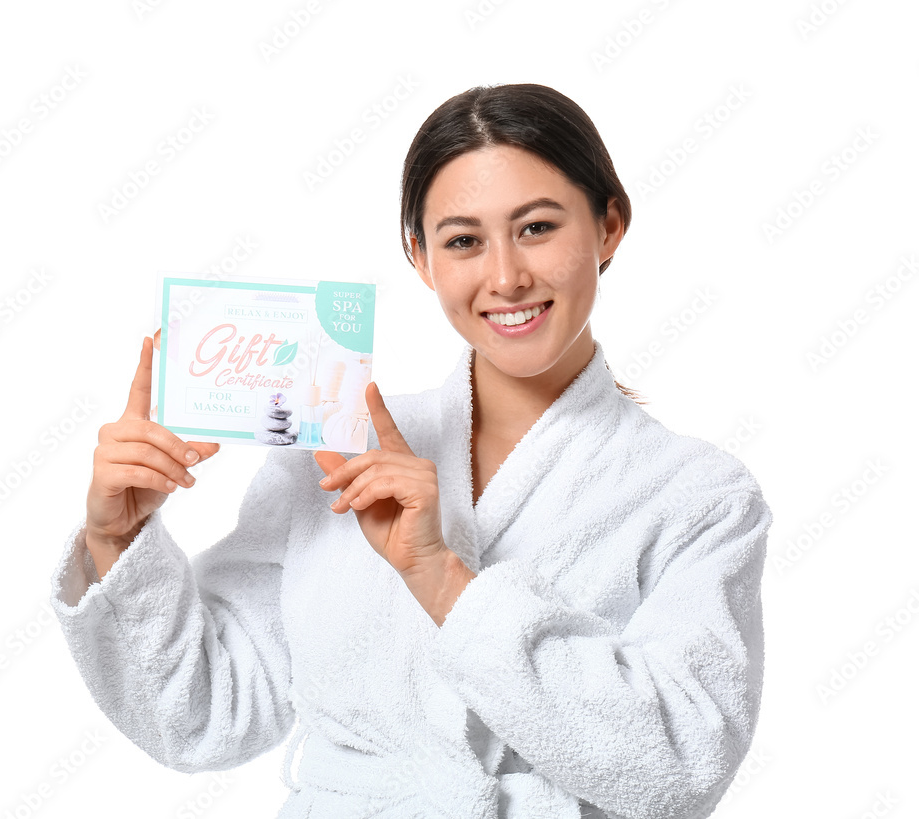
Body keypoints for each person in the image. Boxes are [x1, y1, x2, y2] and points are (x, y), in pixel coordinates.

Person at [50, 83, 773, 819]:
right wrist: (119, 536)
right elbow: (205, 716)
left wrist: (440, 577)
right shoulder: (332, 447)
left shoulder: (699, 494)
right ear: (421, 258)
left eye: (537, 228)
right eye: (463, 240)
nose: (504, 277)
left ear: (609, 226)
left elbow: (682, 765)